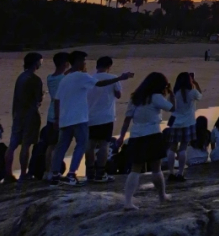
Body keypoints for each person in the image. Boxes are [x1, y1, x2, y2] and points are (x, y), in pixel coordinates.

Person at [52, 51, 133, 185]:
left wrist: (56, 118)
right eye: (83, 61)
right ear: (78, 62)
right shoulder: (81, 76)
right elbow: (100, 83)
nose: (85, 64)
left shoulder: (65, 78)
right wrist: (120, 78)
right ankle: (72, 174)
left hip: (65, 119)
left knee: (62, 146)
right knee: (82, 145)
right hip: (80, 118)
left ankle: (55, 174)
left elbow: (57, 100)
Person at [117, 72, 173, 209]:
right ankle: (162, 196)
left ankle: (128, 201)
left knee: (135, 169)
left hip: (136, 135)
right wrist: (171, 94)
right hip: (153, 134)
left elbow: (127, 120)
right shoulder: (156, 97)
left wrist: (121, 137)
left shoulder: (135, 98)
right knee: (156, 168)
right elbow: (173, 108)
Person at [5, 53, 43, 183]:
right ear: (35, 63)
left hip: (18, 114)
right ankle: (23, 173)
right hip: (30, 115)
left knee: (13, 145)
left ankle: (8, 173)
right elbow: (38, 99)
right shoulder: (35, 79)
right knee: (26, 145)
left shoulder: (20, 77)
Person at [86, 55, 124, 183]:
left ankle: (90, 172)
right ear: (109, 66)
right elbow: (119, 95)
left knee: (90, 145)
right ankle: (100, 172)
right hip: (106, 117)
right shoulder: (113, 78)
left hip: (89, 116)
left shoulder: (89, 79)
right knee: (104, 145)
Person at [167, 71, 203, 182]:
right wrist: (195, 83)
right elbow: (200, 95)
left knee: (172, 148)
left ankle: (171, 172)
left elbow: (171, 106)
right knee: (183, 148)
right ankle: (180, 173)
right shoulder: (192, 92)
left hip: (175, 121)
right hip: (188, 122)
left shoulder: (175, 93)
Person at [41, 51, 70, 182]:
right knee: (57, 145)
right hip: (60, 115)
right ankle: (53, 170)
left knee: (51, 145)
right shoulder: (63, 79)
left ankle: (48, 171)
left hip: (51, 113)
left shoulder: (50, 77)